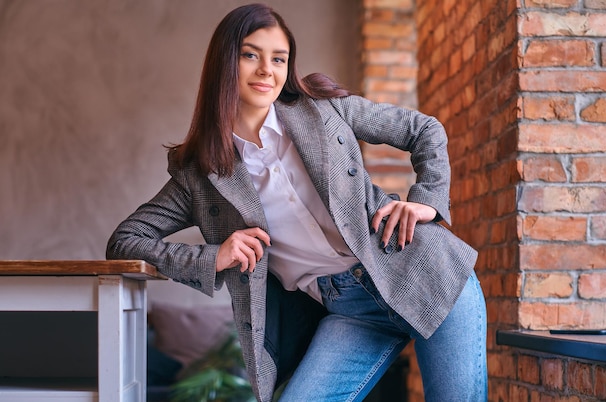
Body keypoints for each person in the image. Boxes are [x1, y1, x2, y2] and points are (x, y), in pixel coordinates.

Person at [106, 3, 487, 401]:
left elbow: (424, 130)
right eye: (250, 54)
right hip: (350, 312)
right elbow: (125, 240)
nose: (266, 69)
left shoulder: (323, 110)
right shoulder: (198, 175)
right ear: (224, 62)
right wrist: (213, 256)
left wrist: (425, 201)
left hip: (423, 274)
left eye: (279, 58)